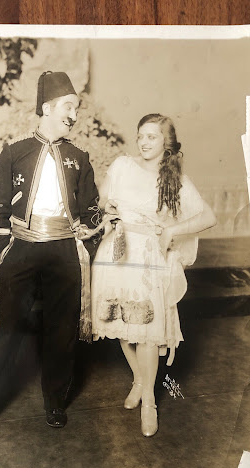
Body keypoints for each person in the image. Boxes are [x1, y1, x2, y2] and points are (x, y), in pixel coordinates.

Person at [0, 71, 102, 440]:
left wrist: (89, 239)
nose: (74, 115)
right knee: (8, 328)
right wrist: (6, 247)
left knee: (62, 330)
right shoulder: (14, 152)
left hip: (64, 251)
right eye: (68, 107)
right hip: (22, 247)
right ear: (47, 108)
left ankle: (55, 402)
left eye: (76, 109)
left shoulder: (79, 158)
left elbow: (92, 209)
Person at [91, 113, 216, 437]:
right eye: (141, 136)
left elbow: (208, 216)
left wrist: (172, 230)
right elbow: (100, 202)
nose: (144, 142)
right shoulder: (122, 166)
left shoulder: (173, 179)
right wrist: (108, 212)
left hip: (147, 258)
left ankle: (149, 402)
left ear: (166, 142)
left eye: (152, 137)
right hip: (116, 253)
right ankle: (139, 380)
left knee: (147, 330)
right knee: (120, 323)